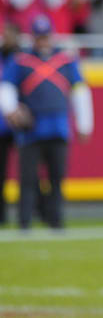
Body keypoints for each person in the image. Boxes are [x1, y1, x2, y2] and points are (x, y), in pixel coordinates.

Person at [0, 16, 93, 231]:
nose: (43, 41)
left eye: (45, 36)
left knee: (57, 179)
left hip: (58, 127)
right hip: (31, 129)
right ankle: (25, 222)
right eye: (39, 37)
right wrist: (11, 109)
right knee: (28, 180)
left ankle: (56, 220)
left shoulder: (66, 61)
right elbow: (6, 87)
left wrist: (85, 124)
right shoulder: (22, 61)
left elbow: (80, 91)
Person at [0, 24, 20, 226]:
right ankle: (2, 215)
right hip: (2, 124)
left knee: (31, 172)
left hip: (22, 122)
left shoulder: (23, 58)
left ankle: (36, 211)